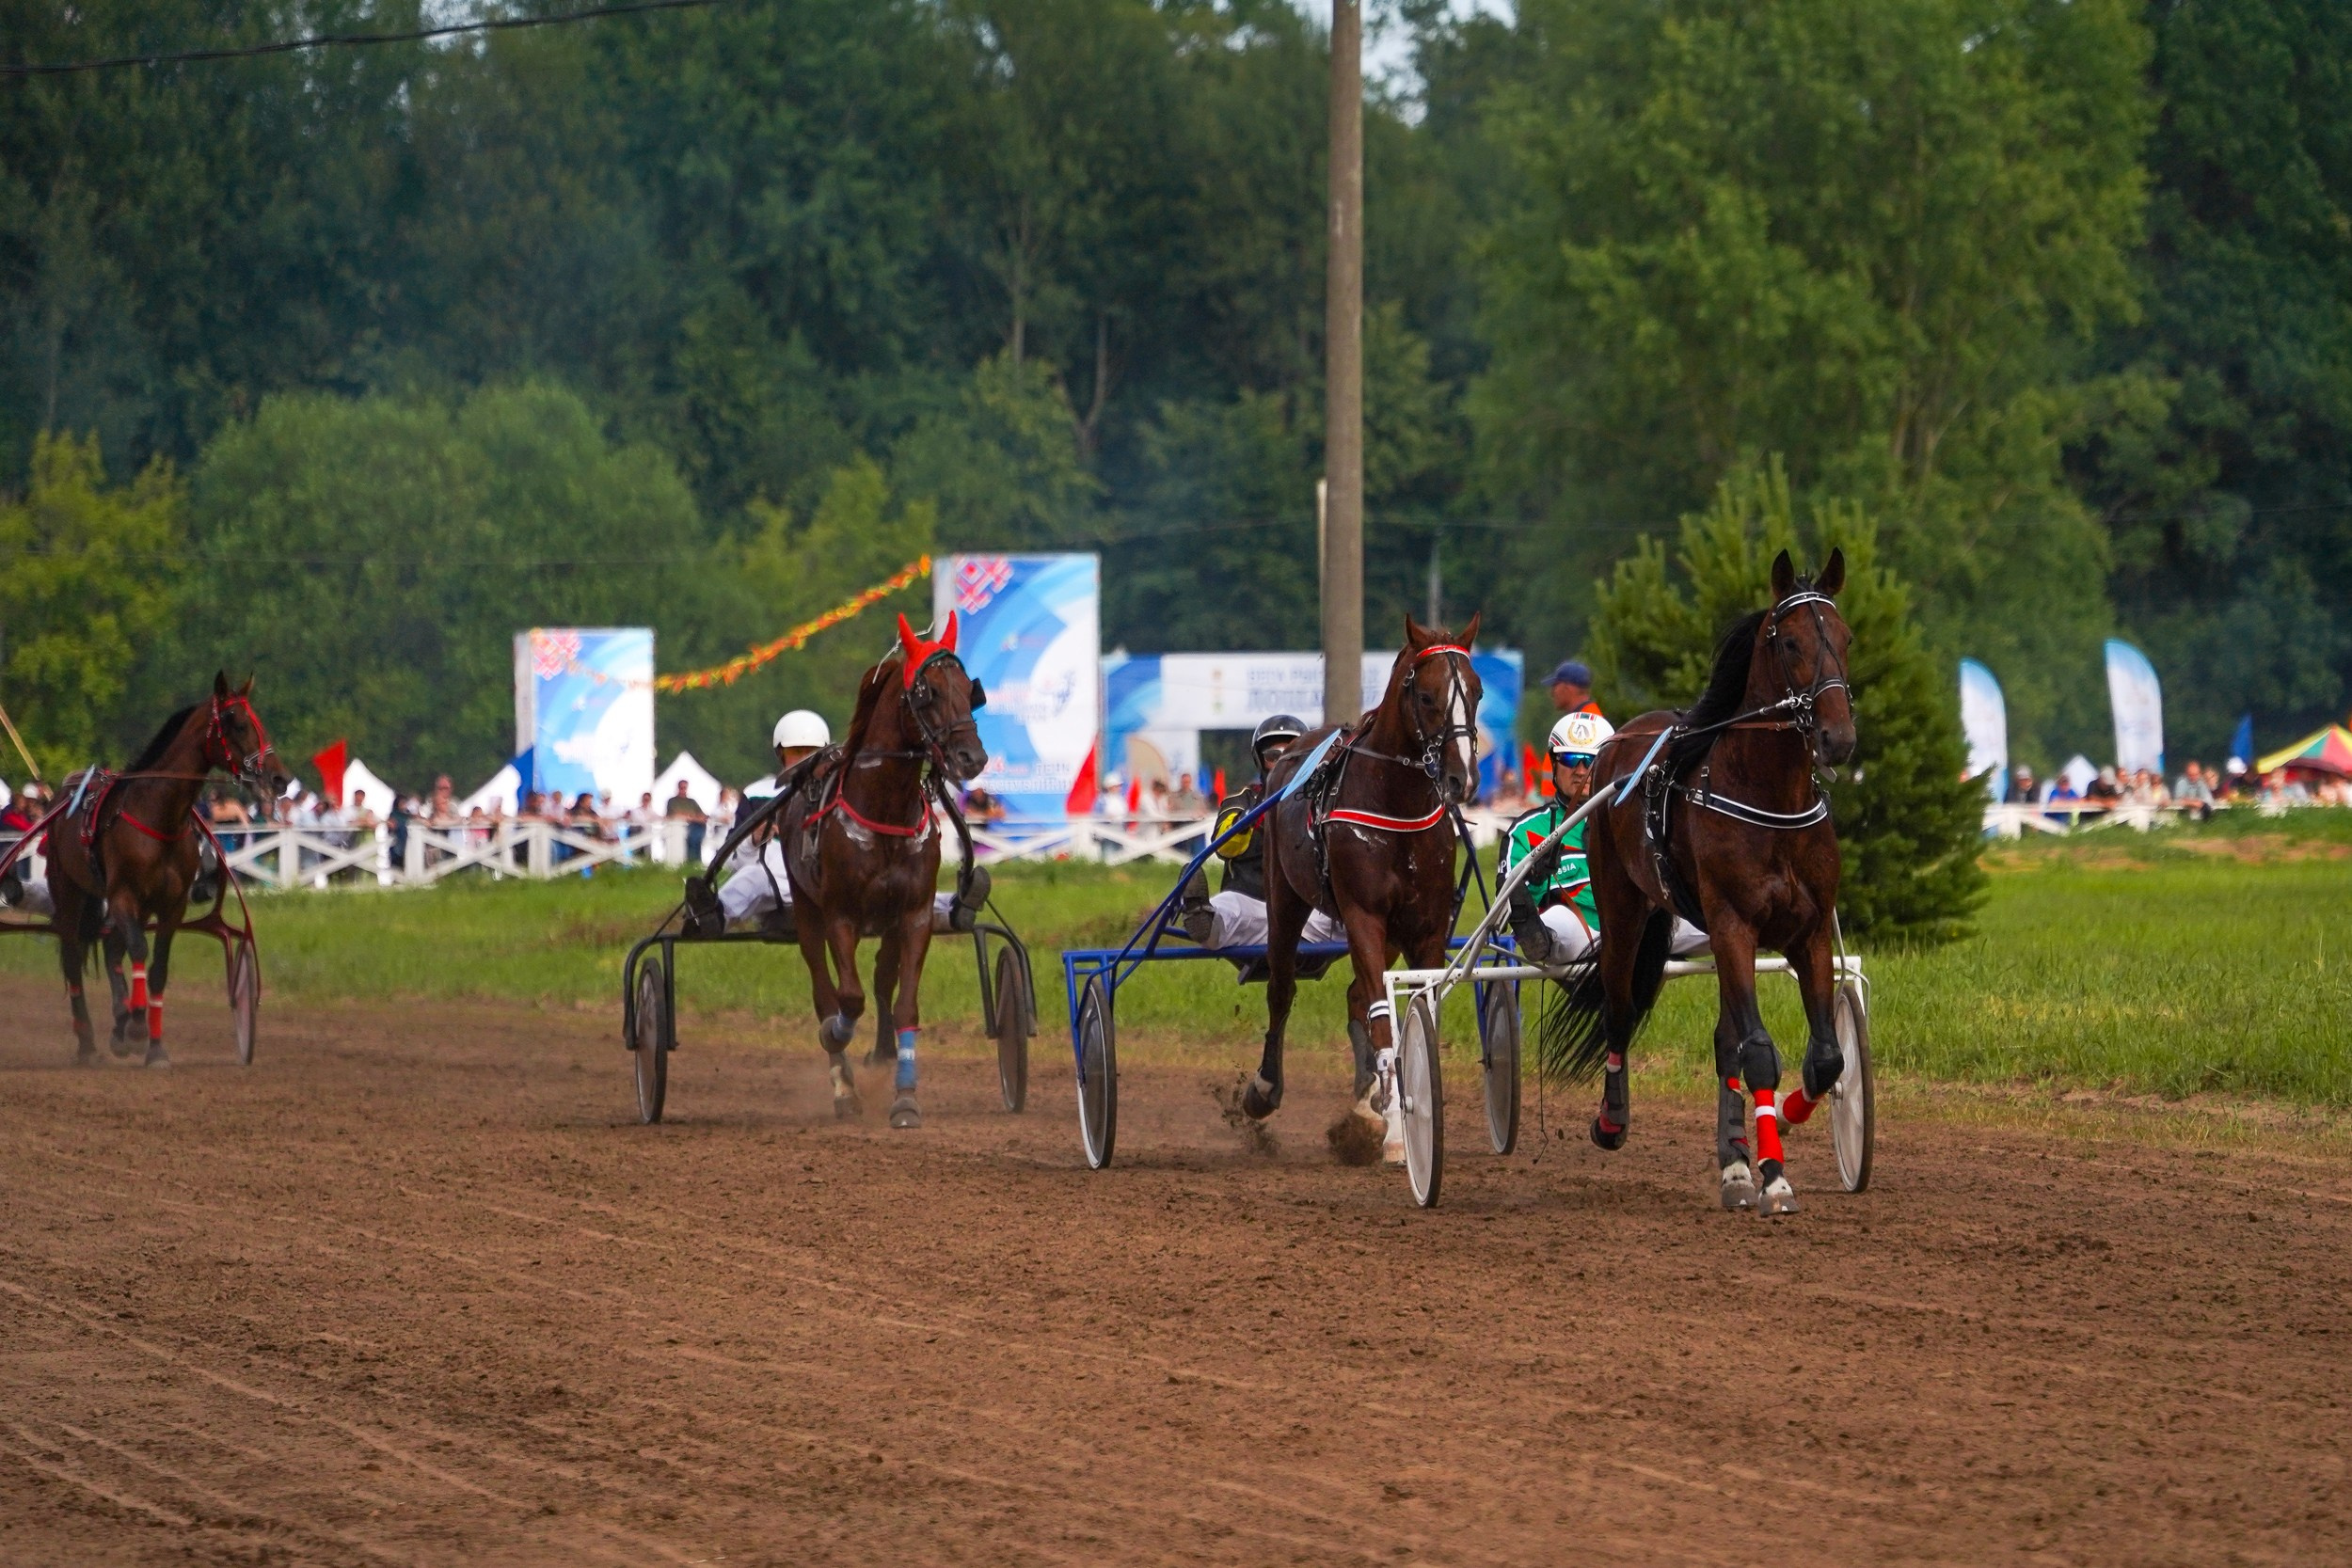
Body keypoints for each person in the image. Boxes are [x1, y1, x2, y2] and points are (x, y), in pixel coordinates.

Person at [686, 709, 981, 938]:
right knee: (750, 881)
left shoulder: (842, 792)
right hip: (777, 884)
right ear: (781, 754)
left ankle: (956, 906)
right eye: (796, 752)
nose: (804, 759)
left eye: (811, 752)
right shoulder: (758, 793)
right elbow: (737, 862)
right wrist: (754, 839)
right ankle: (713, 915)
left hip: (835, 886)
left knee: (900, 890)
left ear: (825, 751)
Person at [1501, 712, 1708, 967]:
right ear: (1554, 763)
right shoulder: (1527, 829)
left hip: (1644, 928)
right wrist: (1534, 876)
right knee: (1558, 923)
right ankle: (1545, 939)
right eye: (1569, 758)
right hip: (1576, 932)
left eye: (1591, 760)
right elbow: (1504, 904)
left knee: (1717, 919)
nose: (1581, 771)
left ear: (1608, 763)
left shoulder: (1635, 818)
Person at [1174, 714, 1345, 963]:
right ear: (1260, 760)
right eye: (1273, 757)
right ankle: (1203, 919)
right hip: (1252, 905)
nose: (1283, 764)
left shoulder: (1322, 802)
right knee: (1227, 911)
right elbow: (1225, 847)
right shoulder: (1241, 801)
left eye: (1293, 756)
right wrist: (1260, 815)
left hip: (1309, 911)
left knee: (1355, 917)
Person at [664, 779, 708, 863]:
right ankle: (692, 861)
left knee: (696, 838)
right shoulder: (672, 801)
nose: (683, 790)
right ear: (678, 788)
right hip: (679, 827)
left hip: (696, 826)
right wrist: (692, 817)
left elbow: (702, 815)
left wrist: (691, 817)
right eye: (681, 788)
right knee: (692, 838)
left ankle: (695, 861)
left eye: (685, 788)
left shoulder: (692, 802)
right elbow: (675, 814)